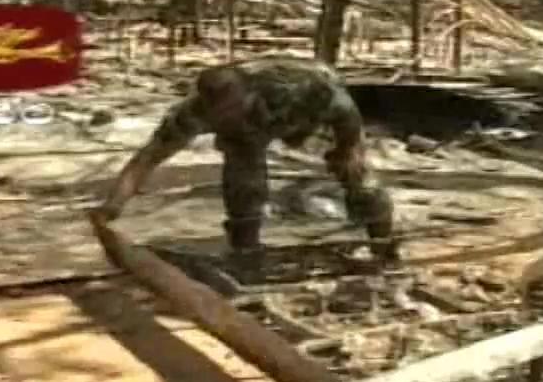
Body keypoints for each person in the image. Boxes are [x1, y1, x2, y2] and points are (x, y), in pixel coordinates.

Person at [99, 58, 397, 262]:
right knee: (244, 178)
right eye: (221, 116)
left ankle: (382, 243)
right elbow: (147, 159)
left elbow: (344, 108)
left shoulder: (297, 89)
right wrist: (112, 206)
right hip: (253, 135)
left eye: (234, 109)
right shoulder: (191, 115)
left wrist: (347, 147)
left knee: (357, 173)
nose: (228, 117)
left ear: (249, 93)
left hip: (313, 106)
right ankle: (247, 250)